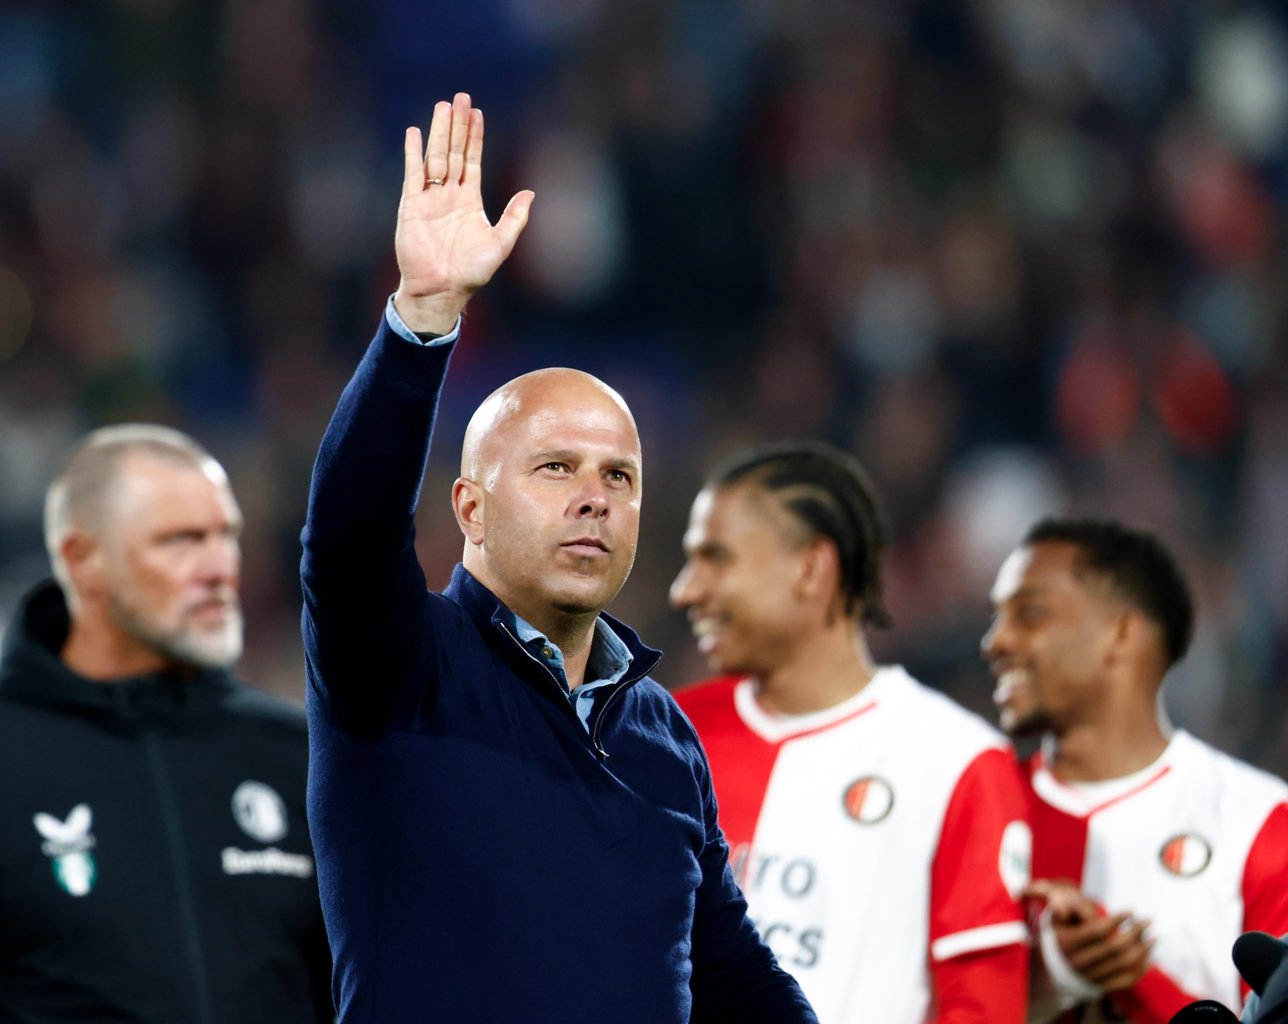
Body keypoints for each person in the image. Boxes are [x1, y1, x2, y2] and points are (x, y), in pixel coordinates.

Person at [300, 92, 817, 1023]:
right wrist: (421, 322)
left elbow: (733, 979)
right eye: (554, 468)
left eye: (619, 476)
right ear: (470, 509)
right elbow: (346, 536)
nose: (595, 495)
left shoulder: (662, 736)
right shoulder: (400, 668)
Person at [0, 425, 333, 1024]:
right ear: (83, 561)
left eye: (226, 535)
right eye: (180, 540)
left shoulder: (298, 759)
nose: (218, 568)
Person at [668, 440, 1031, 1023]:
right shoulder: (664, 735)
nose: (685, 589)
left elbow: (984, 1008)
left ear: (811, 568)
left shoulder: (956, 763)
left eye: (717, 558)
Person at [983, 516, 1288, 1023]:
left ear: (1122, 633)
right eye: (997, 618)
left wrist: (1131, 976)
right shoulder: (969, 808)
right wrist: (1046, 977)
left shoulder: (1259, 820)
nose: (996, 641)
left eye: (1029, 615)